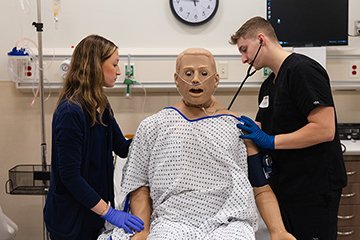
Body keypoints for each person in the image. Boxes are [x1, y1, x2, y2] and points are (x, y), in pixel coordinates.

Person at [98, 48, 295, 240]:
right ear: (176, 80)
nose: (195, 79)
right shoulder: (153, 126)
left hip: (228, 222)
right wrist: (143, 231)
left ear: (216, 80)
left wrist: (278, 231)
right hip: (172, 221)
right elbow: (139, 186)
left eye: (203, 73)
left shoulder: (239, 128)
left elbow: (260, 187)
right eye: (188, 73)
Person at [229, 16, 347, 239]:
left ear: (261, 40)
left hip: (313, 187)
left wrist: (271, 141)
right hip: (285, 186)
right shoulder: (268, 84)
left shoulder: (302, 70)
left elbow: (324, 129)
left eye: (245, 50)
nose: (244, 59)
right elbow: (265, 125)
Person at [44, 35, 144, 240]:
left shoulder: (101, 105)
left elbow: (122, 148)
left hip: (93, 214)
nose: (118, 71)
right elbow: (70, 177)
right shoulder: (70, 112)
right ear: (96, 65)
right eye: (115, 64)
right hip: (70, 221)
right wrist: (109, 213)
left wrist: (156, 134)